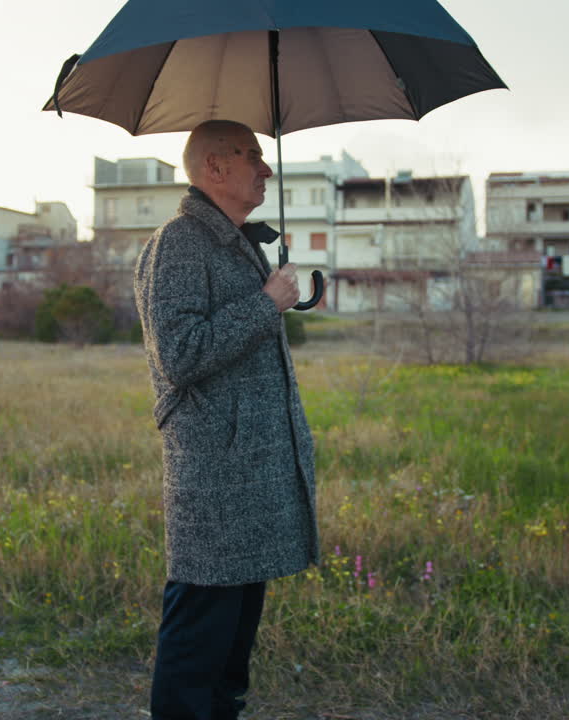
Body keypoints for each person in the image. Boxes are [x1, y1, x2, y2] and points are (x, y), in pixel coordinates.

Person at [133, 119, 319, 720]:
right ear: (214, 168)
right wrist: (266, 303)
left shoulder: (235, 242)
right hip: (217, 481)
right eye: (251, 157)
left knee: (228, 660)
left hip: (247, 478)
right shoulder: (180, 242)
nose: (264, 170)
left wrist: (268, 298)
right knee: (197, 652)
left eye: (264, 159)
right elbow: (181, 353)